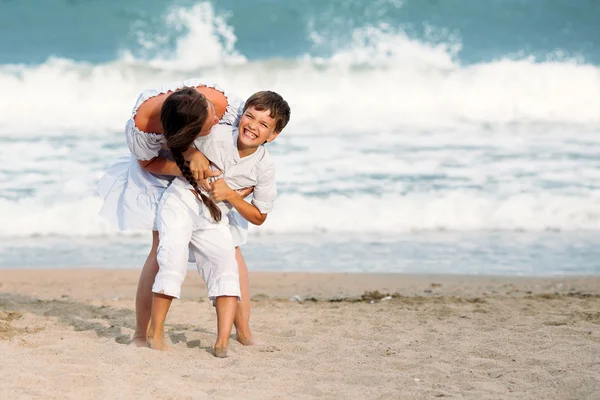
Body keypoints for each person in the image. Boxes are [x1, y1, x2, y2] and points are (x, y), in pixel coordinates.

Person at [97, 79, 255, 347]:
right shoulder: (144, 127)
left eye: (214, 115)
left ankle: (243, 331)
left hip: (209, 161)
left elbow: (252, 139)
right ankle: (141, 333)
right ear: (190, 133)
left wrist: (243, 183)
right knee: (163, 247)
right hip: (162, 166)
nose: (217, 121)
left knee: (231, 246)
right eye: (210, 123)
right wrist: (186, 166)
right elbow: (148, 162)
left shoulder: (220, 104)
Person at [148, 91, 291, 357]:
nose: (252, 126)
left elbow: (260, 216)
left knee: (227, 269)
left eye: (264, 124)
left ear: (273, 136)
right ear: (242, 115)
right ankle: (154, 333)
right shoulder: (216, 134)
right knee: (172, 260)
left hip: (215, 216)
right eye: (250, 116)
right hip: (181, 201)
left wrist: (232, 196)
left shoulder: (265, 167)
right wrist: (192, 152)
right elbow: (174, 141)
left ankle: (222, 342)